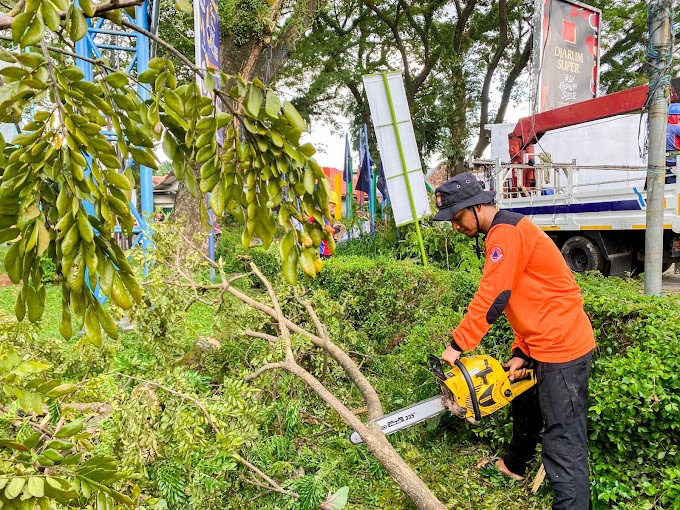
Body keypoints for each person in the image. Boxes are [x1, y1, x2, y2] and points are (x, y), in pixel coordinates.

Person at [433, 173, 596, 509]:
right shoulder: (504, 231)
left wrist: (457, 345)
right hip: (543, 341)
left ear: (476, 206)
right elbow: (524, 296)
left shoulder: (505, 232)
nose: (455, 226)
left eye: (457, 217)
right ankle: (513, 467)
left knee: (564, 440)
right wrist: (521, 350)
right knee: (525, 406)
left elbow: (494, 295)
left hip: (561, 346)